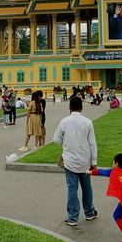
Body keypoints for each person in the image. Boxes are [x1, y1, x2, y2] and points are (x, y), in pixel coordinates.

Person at [53, 96, 98, 226]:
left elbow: (56, 139)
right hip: (85, 161)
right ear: (81, 107)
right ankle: (89, 212)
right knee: (87, 187)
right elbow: (92, 143)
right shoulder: (88, 122)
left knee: (72, 189)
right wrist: (94, 161)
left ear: (70, 107)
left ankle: (73, 217)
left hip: (70, 161)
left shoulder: (64, 121)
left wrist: (65, 141)